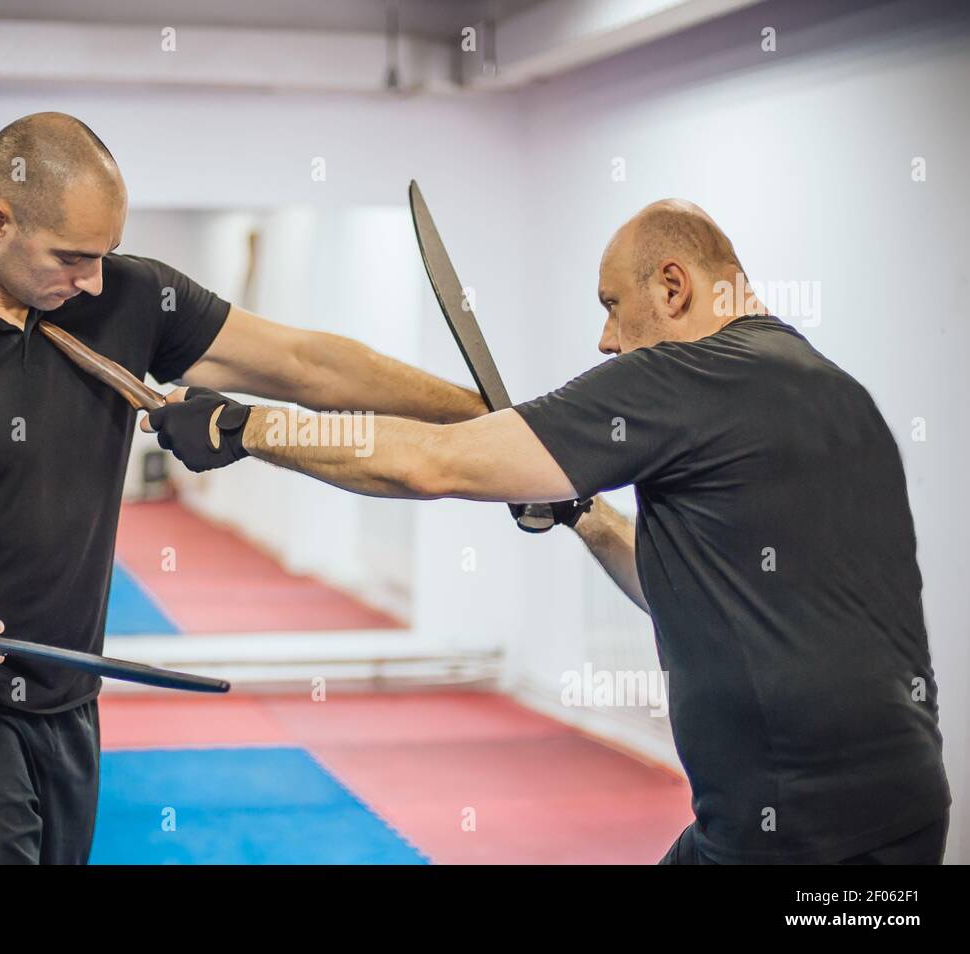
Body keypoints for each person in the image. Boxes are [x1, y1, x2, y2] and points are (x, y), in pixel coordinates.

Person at [0, 111, 489, 864]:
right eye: (71, 257)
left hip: (71, 700)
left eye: (107, 254)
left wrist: (495, 423)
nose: (93, 279)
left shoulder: (127, 298)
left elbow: (306, 364)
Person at [146, 199, 952, 864]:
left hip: (793, 831)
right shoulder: (840, 396)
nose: (606, 338)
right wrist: (585, 515)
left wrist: (246, 427)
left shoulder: (682, 376)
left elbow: (431, 463)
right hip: (900, 807)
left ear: (674, 286)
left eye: (612, 305)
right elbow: (686, 590)